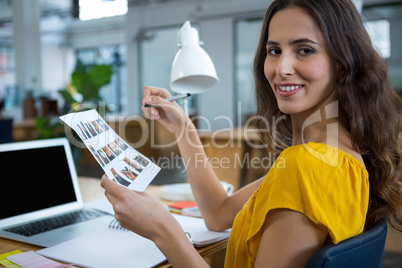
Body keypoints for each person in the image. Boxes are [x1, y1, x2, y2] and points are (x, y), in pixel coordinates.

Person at [101, 0, 402, 267]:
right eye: (274, 50)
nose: (281, 67)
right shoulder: (333, 156)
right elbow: (218, 213)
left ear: (341, 64)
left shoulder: (308, 168)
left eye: (305, 50)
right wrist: (183, 127)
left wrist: (162, 230)